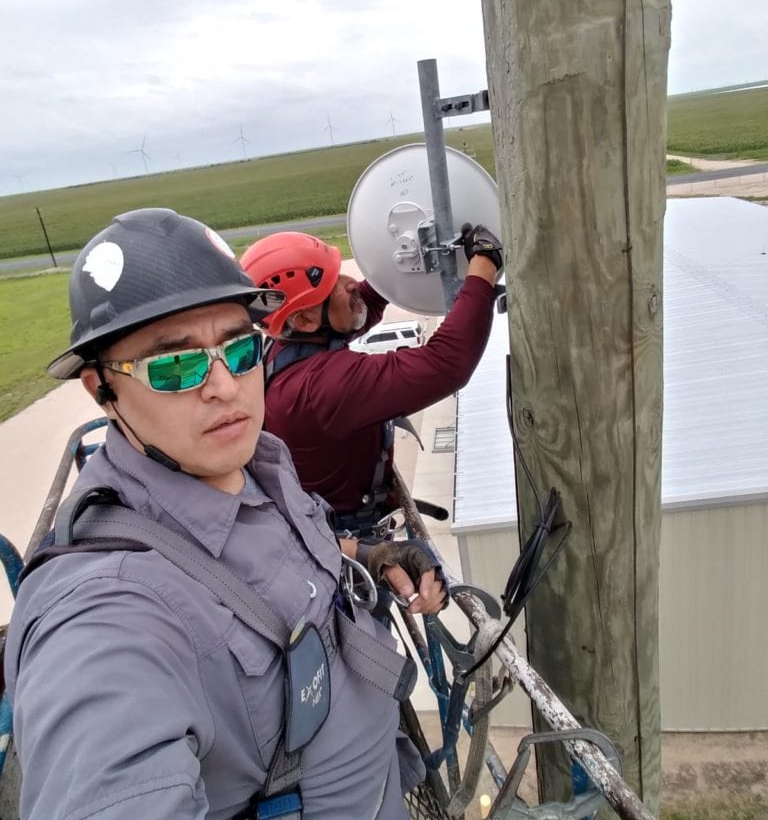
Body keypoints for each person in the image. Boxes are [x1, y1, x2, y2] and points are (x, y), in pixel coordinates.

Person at [4, 208, 446, 820]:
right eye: (175, 365)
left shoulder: (260, 462)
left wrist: (367, 556)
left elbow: (279, 554)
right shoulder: (105, 612)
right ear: (101, 389)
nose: (223, 385)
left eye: (241, 349)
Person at [240, 224, 502, 533]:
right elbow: (447, 363)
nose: (350, 284)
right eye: (332, 285)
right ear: (305, 320)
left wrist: (408, 255)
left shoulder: (285, 347)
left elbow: (364, 303)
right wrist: (484, 264)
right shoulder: (321, 388)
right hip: (350, 541)